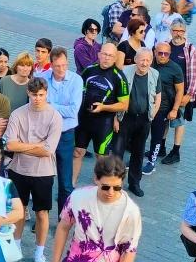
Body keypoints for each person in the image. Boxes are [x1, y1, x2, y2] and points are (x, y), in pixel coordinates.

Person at [4, 77, 62, 262]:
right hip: (18, 169)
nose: (37, 98)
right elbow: (10, 145)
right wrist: (37, 145)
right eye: (34, 94)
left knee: (42, 213)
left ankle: (39, 253)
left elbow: (48, 151)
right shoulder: (18, 114)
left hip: (43, 172)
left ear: (46, 94)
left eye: (41, 95)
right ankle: (16, 247)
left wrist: (25, 147)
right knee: (18, 211)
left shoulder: (54, 116)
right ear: (28, 93)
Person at [73, 42, 129, 185]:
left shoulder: (119, 77)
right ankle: (70, 186)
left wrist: (103, 107)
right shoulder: (89, 70)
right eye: (104, 54)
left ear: (115, 58)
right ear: (99, 54)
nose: (106, 58)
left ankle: (100, 187)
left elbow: (124, 104)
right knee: (77, 152)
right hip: (84, 119)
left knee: (101, 157)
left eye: (110, 55)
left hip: (103, 122)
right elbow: (78, 91)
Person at [116, 49, 160, 197]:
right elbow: (116, 97)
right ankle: (116, 183)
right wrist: (116, 119)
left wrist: (152, 115)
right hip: (125, 118)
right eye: (142, 60)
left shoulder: (155, 74)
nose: (144, 63)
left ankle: (134, 183)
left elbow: (158, 96)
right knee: (118, 151)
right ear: (135, 59)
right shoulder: (124, 72)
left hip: (144, 119)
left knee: (138, 152)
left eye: (148, 60)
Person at [46, 48, 84, 212]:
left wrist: (50, 106)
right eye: (57, 66)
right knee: (45, 179)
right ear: (51, 64)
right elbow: (38, 106)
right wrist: (60, 108)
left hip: (65, 135)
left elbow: (73, 111)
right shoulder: (41, 78)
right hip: (45, 134)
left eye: (64, 65)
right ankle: (43, 216)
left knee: (65, 181)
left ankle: (64, 217)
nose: (61, 69)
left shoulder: (76, 80)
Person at [159, 21, 196, 165]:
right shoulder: (165, 46)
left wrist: (188, 95)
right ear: (170, 31)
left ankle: (176, 151)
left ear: (185, 32)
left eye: (181, 31)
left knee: (178, 122)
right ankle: (161, 147)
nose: (178, 33)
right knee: (163, 119)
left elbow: (195, 75)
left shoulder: (190, 50)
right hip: (163, 91)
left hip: (181, 93)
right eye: (175, 30)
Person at [145, 40, 185, 174]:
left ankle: (151, 162)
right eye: (160, 53)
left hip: (163, 108)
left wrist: (174, 110)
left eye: (166, 54)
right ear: (155, 52)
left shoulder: (175, 68)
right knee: (140, 135)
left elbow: (180, 90)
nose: (162, 56)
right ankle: (136, 158)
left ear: (169, 54)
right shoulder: (149, 63)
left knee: (157, 136)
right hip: (145, 106)